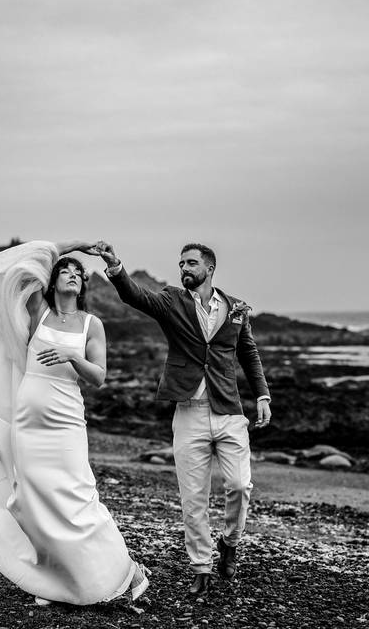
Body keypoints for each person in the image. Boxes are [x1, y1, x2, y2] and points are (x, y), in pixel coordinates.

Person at [0, 239, 150, 606]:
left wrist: (71, 357)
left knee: (77, 499)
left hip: (65, 428)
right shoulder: (38, 312)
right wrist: (80, 246)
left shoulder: (92, 325)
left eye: (79, 273)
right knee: (33, 499)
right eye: (66, 270)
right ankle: (54, 575)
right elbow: (25, 261)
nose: (73, 275)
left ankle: (125, 571)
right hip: (28, 426)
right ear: (53, 280)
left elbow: (99, 376)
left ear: (84, 287)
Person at [95, 240, 271, 596]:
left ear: (210, 268)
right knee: (193, 498)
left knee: (240, 486)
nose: (184, 268)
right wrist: (115, 267)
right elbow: (134, 295)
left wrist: (263, 394)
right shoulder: (171, 300)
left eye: (191, 263)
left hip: (230, 410)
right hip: (188, 412)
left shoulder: (236, 308)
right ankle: (202, 568)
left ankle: (230, 543)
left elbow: (248, 352)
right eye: (181, 264)